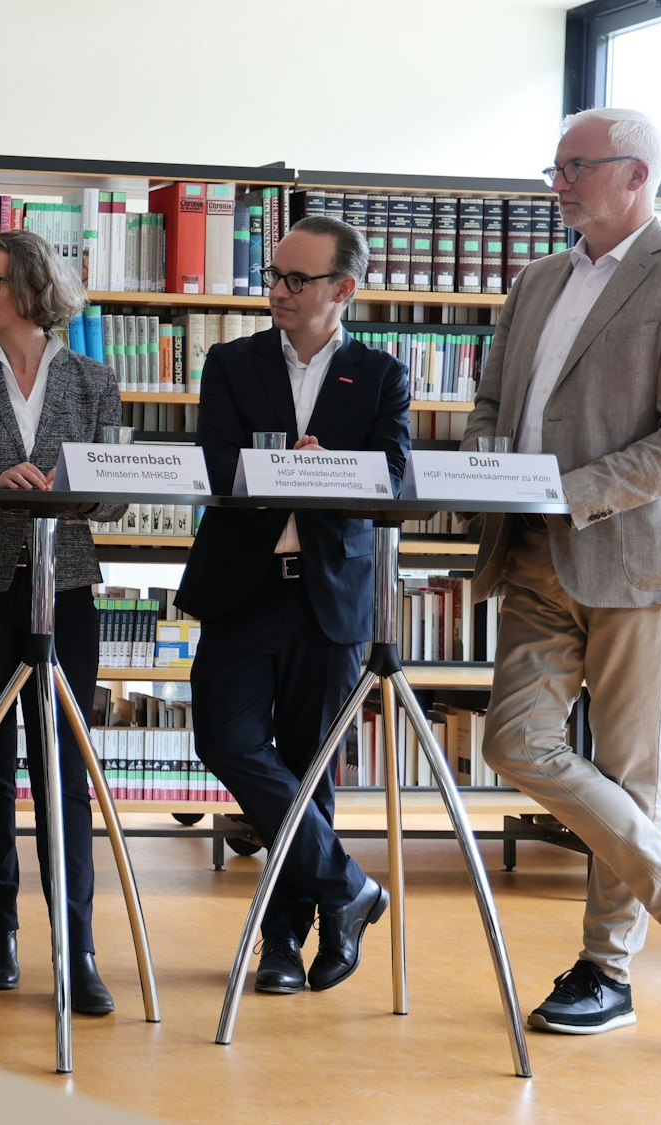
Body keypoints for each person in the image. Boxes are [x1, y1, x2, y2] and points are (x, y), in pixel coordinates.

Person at [465, 107, 661, 1051]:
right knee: (516, 740)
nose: (557, 182)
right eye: (555, 167)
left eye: (575, 166)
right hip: (529, 553)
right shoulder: (536, 281)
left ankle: (608, 970)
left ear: (635, 175)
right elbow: (489, 404)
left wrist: (570, 493)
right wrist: (481, 467)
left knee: (631, 776)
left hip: (634, 555)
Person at [176, 215, 411, 997]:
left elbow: (397, 482)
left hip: (330, 597)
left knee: (313, 771)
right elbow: (217, 464)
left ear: (343, 289)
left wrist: (333, 469)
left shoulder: (381, 374)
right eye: (275, 277)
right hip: (243, 588)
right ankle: (346, 885)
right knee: (223, 737)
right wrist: (281, 469)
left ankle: (284, 943)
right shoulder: (231, 362)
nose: (278, 290)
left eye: (297, 280)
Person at [0, 229, 124, 1014]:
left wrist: (70, 483)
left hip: (64, 590)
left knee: (62, 774)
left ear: (35, 288)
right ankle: (0, 929)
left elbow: (113, 494)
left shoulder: (95, 380)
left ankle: (77, 945)